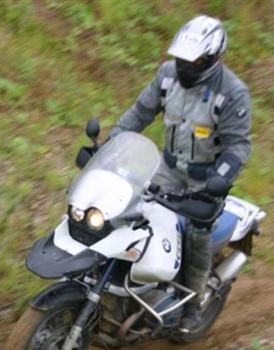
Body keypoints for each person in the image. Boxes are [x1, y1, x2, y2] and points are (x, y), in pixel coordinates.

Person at [110, 15, 252, 333]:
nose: (185, 67)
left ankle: (192, 305)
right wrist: (113, 141)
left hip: (206, 179)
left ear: (213, 59)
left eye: (195, 61)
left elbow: (238, 147)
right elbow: (140, 113)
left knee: (196, 234)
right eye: (182, 59)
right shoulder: (167, 76)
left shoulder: (232, 93)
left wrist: (220, 180)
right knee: (127, 207)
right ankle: (125, 280)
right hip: (168, 167)